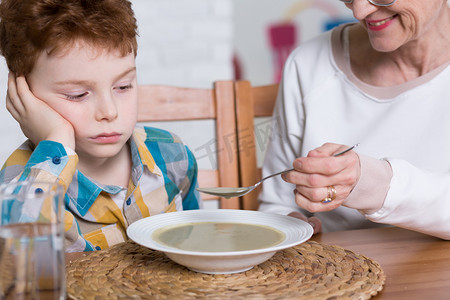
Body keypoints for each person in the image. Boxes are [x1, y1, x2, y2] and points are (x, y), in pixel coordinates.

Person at [0, 0, 202, 252]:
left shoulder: (173, 156)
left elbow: (197, 250)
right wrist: (57, 139)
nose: (109, 112)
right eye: (77, 94)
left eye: (123, 86)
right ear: (24, 94)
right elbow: (22, 263)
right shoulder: (21, 181)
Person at [258, 0, 450, 240]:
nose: (359, 11)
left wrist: (373, 184)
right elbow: (276, 203)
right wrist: (290, 225)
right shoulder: (308, 64)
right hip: (336, 270)